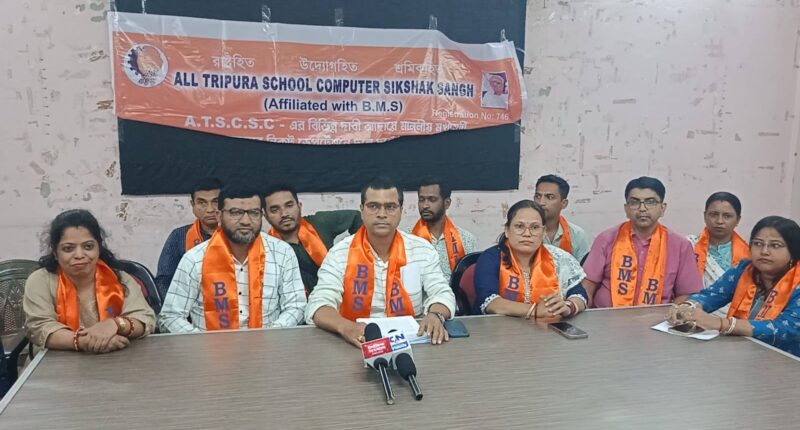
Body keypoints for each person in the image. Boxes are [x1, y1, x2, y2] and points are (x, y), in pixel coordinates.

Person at [305, 177, 456, 346]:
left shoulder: (422, 250)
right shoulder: (339, 254)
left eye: (390, 207)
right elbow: (318, 303)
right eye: (373, 206)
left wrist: (435, 315)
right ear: (362, 210)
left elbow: (442, 293)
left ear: (401, 211)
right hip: (355, 342)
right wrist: (345, 327)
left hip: (412, 341)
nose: (382, 214)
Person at [159, 186, 306, 333]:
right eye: (236, 213)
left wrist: (269, 336)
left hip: (269, 342)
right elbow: (170, 316)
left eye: (254, 213)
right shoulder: (195, 259)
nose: (246, 221)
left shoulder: (282, 253)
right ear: (219, 216)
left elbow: (296, 306)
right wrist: (200, 341)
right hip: (210, 344)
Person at [23, 209, 155, 353]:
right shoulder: (40, 281)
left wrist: (115, 324)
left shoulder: (120, 278)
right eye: (68, 249)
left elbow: (144, 319)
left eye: (88, 246)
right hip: (56, 360)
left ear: (99, 247)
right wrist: (85, 342)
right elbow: (40, 327)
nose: (79, 255)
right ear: (55, 252)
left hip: (116, 356)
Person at [667, 216, 800, 356]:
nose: (764, 251)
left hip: (786, 359)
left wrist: (721, 324)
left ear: (794, 251)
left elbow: (787, 328)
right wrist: (688, 307)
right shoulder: (744, 270)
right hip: (743, 352)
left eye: (775, 245)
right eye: (758, 243)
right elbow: (711, 295)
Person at [581, 176, 703, 307]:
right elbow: (587, 285)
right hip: (605, 317)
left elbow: (687, 294)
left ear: (663, 208)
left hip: (658, 318)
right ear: (626, 209)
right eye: (634, 202)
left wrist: (669, 316)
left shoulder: (680, 246)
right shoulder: (606, 239)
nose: (642, 208)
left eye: (650, 202)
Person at [474, 200, 588, 318]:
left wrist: (568, 306)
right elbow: (490, 302)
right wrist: (535, 310)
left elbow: (580, 295)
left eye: (535, 227)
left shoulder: (559, 258)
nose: (527, 234)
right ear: (507, 230)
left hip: (548, 326)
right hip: (498, 327)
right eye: (519, 226)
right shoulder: (491, 258)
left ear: (543, 232)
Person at [263, 183, 362, 294]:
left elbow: (357, 217)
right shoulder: (266, 250)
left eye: (289, 205)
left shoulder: (319, 223)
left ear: (299, 206)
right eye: (275, 210)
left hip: (338, 294)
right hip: (297, 303)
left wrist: (357, 256)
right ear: (265, 216)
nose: (284, 213)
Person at [155, 177, 222, 299]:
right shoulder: (178, 236)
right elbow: (164, 281)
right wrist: (179, 306)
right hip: (189, 305)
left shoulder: (237, 235)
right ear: (193, 205)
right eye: (202, 203)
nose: (210, 209)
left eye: (216, 202)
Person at [410, 177, 477, 283]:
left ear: (447, 203)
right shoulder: (408, 238)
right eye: (421, 199)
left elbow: (470, 281)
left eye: (432, 199)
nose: (425, 205)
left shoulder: (466, 239)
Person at [687, 192, 749, 287]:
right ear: (705, 216)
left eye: (727, 216)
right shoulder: (688, 246)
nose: (719, 221)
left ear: (738, 220)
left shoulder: (748, 255)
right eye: (714, 215)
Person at [533, 174, 591, 262]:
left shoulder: (577, 235)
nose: (541, 202)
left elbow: (582, 269)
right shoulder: (524, 232)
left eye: (549, 197)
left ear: (564, 203)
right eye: (538, 196)